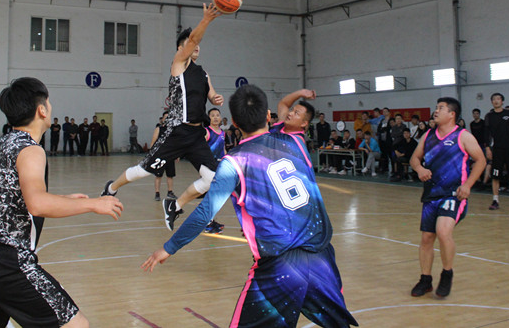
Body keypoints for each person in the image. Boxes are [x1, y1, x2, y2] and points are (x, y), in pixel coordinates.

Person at [142, 84, 358, 328]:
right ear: (268, 115)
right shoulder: (296, 141)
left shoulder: (234, 162)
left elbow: (204, 213)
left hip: (279, 266)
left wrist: (169, 247)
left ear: (234, 123)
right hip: (323, 257)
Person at [0, 77, 123, 327]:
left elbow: (11, 198)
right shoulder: (31, 150)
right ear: (42, 110)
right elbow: (37, 204)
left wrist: (63, 199)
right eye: (49, 102)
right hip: (9, 262)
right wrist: (94, 204)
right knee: (77, 325)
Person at [100, 4, 225, 231]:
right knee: (144, 170)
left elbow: (211, 94)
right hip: (177, 131)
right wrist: (206, 19)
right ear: (181, 48)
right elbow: (193, 39)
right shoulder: (179, 63)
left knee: (213, 179)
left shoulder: (203, 73)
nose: (197, 46)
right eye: (192, 44)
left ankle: (175, 206)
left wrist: (216, 99)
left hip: (196, 134)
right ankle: (111, 187)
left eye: (198, 45)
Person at [409, 97, 486, 298]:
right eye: (436, 108)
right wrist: (419, 169)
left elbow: (481, 160)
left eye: (441, 108)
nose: (436, 111)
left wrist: (467, 185)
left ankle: (447, 273)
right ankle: (425, 279)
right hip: (431, 194)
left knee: (443, 232)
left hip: (454, 195)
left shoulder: (463, 136)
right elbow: (414, 158)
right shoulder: (428, 135)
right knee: (427, 238)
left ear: (452, 114)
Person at [484, 93, 509, 211]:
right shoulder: (489, 116)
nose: (496, 101)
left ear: (502, 101)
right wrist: (487, 148)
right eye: (493, 99)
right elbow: (487, 134)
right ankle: (495, 200)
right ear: (491, 102)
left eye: (498, 99)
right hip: (497, 149)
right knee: (495, 176)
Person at [149, 112, 176, 202]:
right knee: (158, 175)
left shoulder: (173, 130)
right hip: (160, 156)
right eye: (165, 117)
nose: (167, 119)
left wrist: (177, 154)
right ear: (162, 119)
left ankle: (170, 192)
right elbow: (153, 142)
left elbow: (176, 143)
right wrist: (151, 155)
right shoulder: (159, 129)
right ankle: (157, 193)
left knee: (170, 175)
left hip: (170, 155)